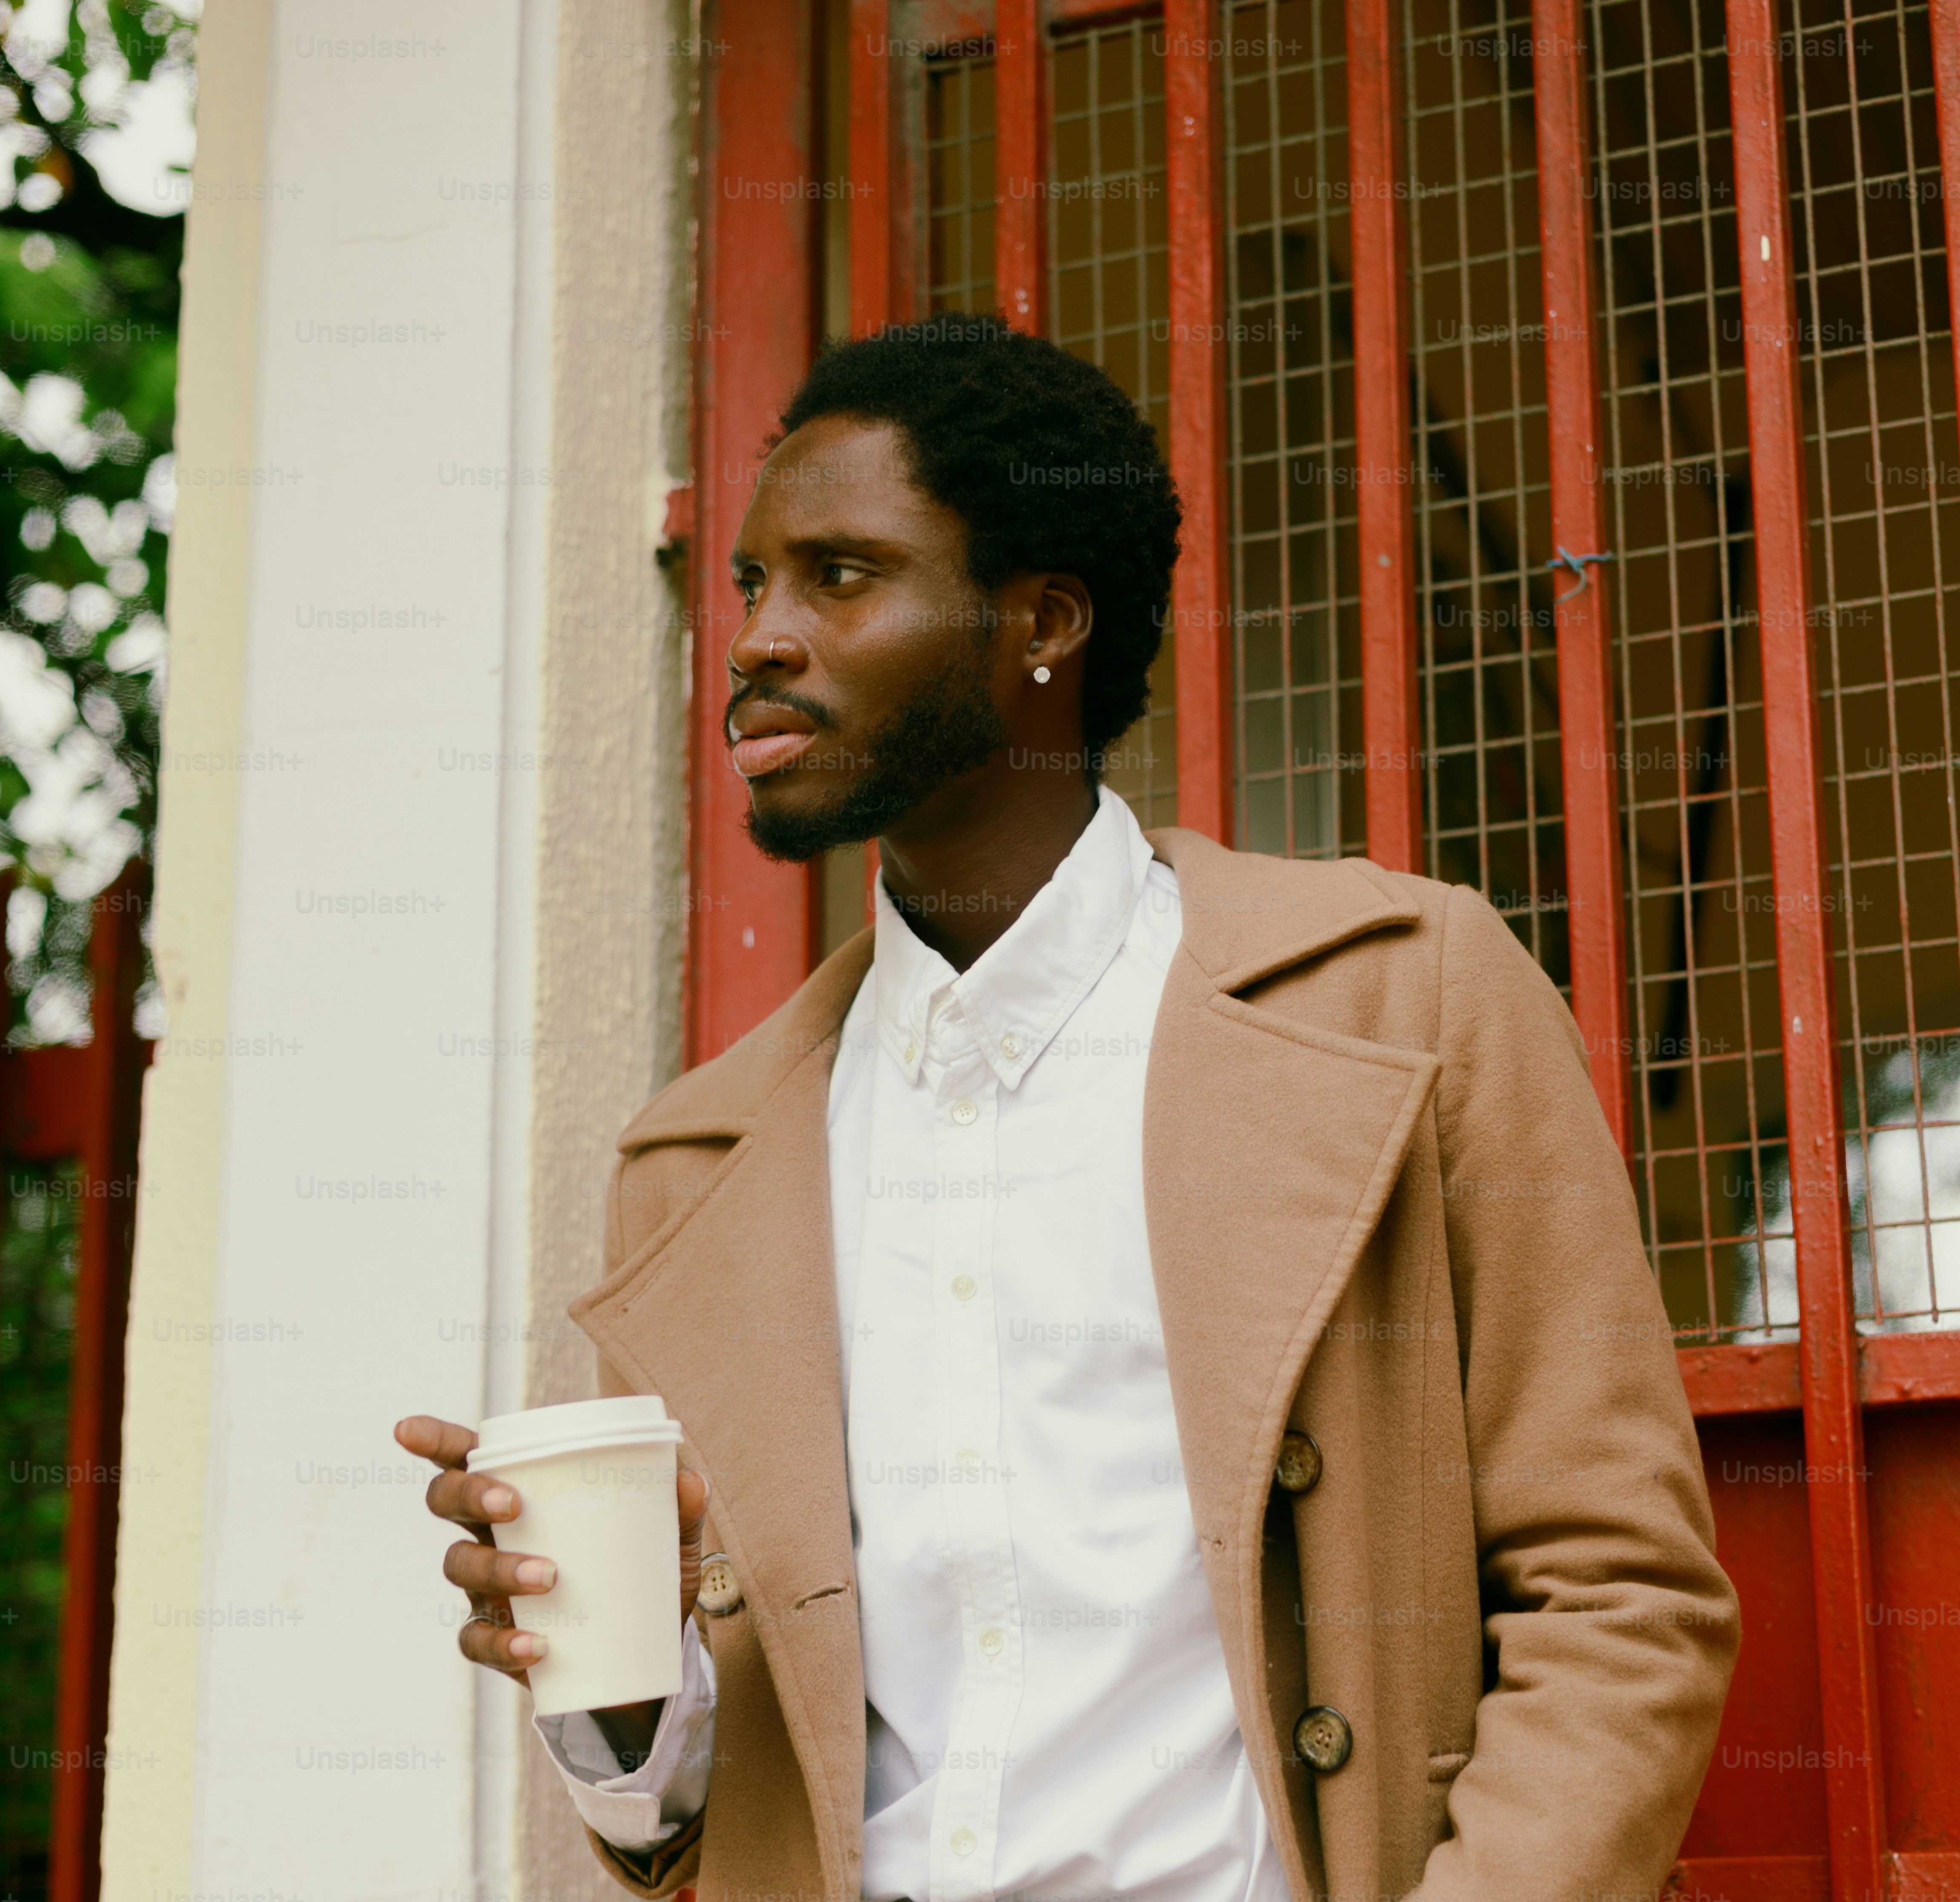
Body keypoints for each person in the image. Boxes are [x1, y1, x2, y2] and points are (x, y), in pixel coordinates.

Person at [396, 313, 1738, 1902]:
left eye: (840, 575)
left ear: (1041, 620)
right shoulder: (693, 1164)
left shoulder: (1410, 997)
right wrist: (619, 1696)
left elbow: (1620, 1597)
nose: (757, 637)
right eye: (752, 583)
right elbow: (700, 1832)